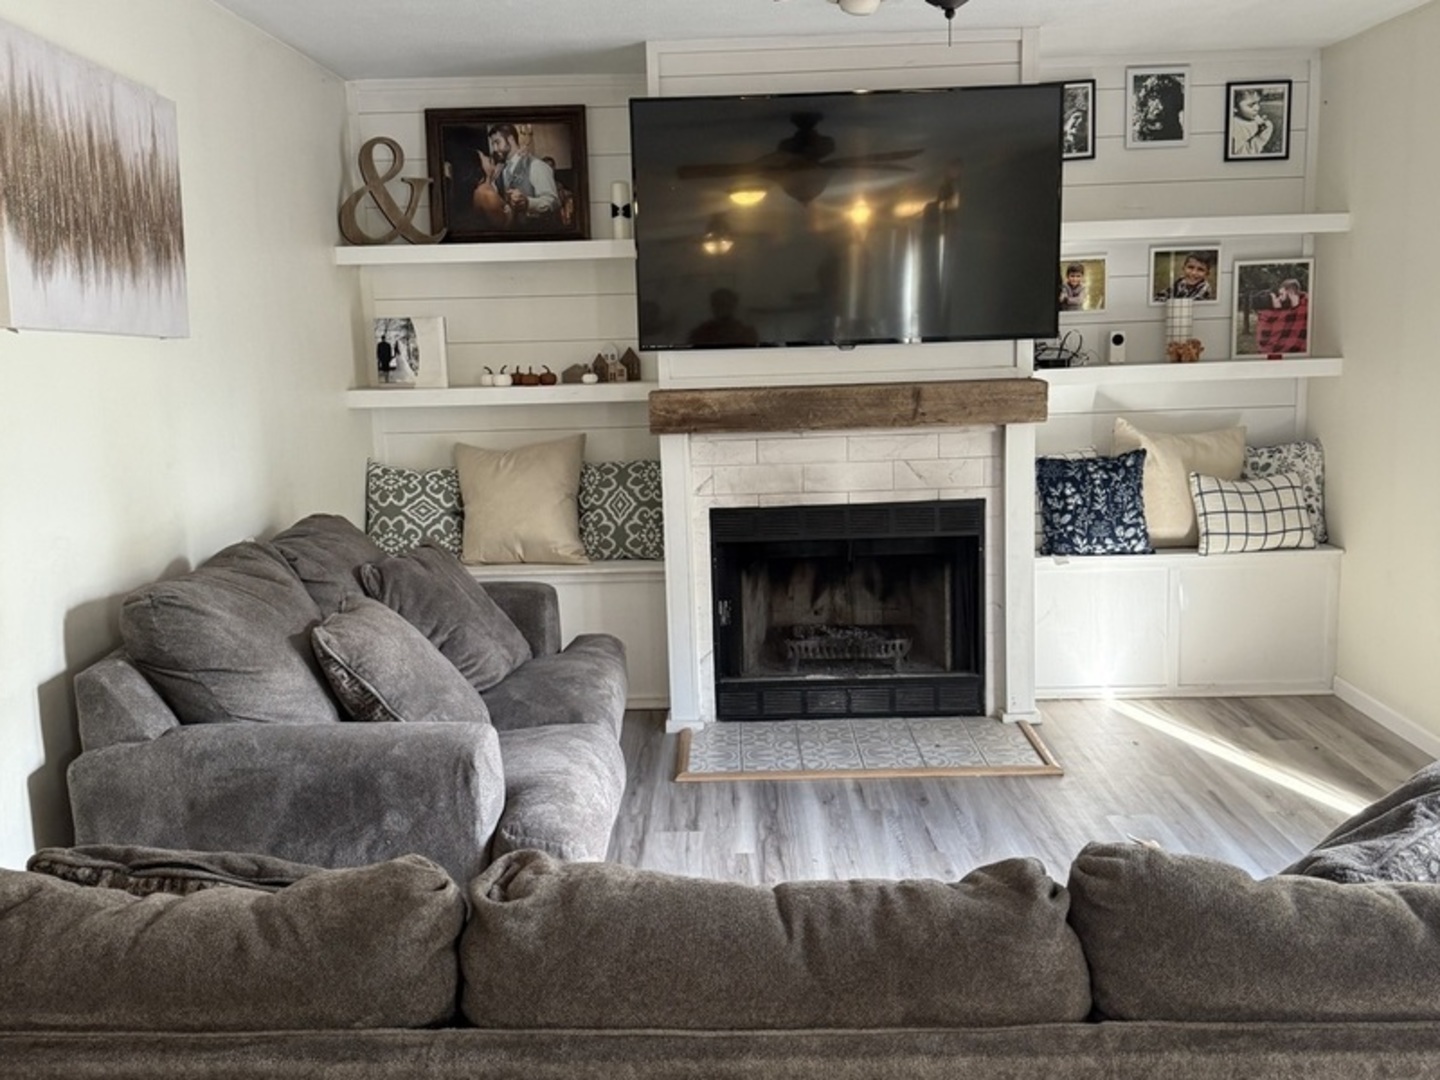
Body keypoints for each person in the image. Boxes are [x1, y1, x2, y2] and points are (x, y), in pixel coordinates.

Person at [487, 122, 560, 229]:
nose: (494, 149)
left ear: (511, 139)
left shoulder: (536, 165)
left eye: (497, 142)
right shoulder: (500, 169)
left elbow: (553, 202)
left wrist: (528, 203)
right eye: (493, 144)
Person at [687, 288, 759, 347]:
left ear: (733, 306)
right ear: (713, 306)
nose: (722, 308)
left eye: (725, 304)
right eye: (718, 304)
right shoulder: (699, 333)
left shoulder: (747, 333)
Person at [1229, 88, 1275, 157]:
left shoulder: (1255, 119)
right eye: (1251, 105)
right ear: (1234, 107)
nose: (1257, 108)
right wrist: (1260, 138)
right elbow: (1240, 155)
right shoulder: (1234, 126)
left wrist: (1262, 128)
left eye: (1258, 103)